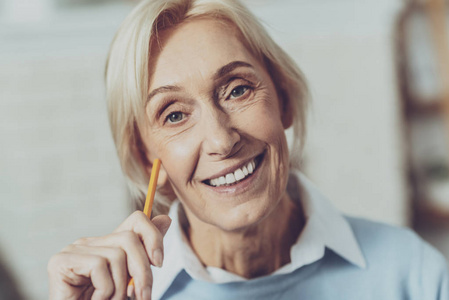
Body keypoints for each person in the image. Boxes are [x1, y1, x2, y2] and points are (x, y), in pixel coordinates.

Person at [47, 0, 449, 299]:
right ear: (146, 158)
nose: (222, 140)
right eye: (174, 115)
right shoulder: (123, 295)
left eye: (237, 90)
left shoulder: (412, 273)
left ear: (284, 99)